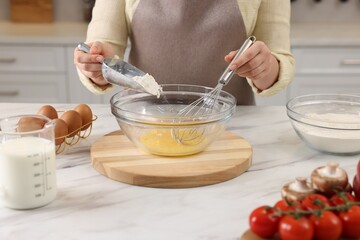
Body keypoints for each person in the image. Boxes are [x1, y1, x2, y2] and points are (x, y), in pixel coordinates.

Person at [74, 0, 295, 105]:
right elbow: (104, 43)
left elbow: (277, 59)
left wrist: (264, 67)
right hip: (143, 121)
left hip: (229, 125)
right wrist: (97, 63)